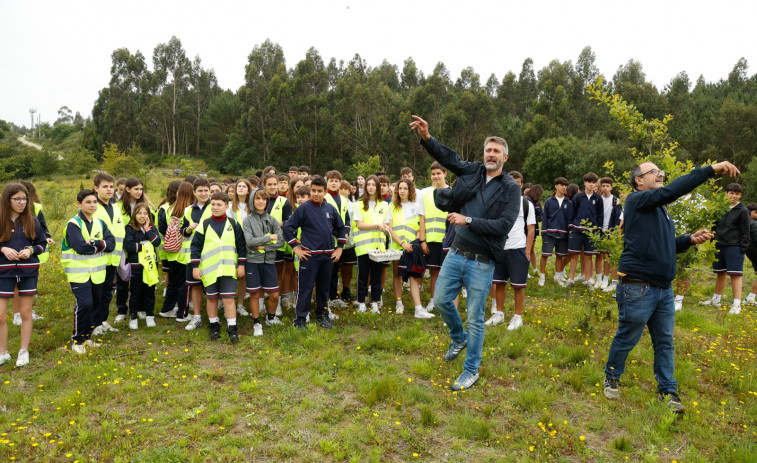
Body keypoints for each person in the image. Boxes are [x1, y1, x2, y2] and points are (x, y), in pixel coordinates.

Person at [603, 160, 739, 413]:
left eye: (660, 171)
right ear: (639, 181)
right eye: (653, 172)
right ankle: (611, 375)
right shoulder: (636, 200)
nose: (660, 174)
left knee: (665, 341)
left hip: (664, 289)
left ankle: (668, 391)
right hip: (637, 286)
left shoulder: (661, 209)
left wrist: (688, 240)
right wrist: (709, 170)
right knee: (628, 336)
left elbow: (665, 244)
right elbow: (671, 191)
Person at [409, 115, 521, 391]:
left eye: (496, 151)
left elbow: (504, 225)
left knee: (475, 318)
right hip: (456, 252)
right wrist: (427, 138)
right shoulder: (473, 172)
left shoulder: (511, 188)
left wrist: (468, 220)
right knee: (442, 300)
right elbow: (450, 158)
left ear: (505, 157)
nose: (491, 155)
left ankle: (471, 370)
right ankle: (458, 338)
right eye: (488, 150)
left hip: (482, 262)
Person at [283, 177, 346, 329]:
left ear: (325, 192)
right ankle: (300, 320)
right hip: (309, 257)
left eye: (319, 191)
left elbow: (341, 228)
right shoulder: (303, 208)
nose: (316, 194)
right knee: (306, 289)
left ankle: (322, 316)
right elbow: (288, 228)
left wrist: (339, 248)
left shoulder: (330, 208)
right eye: (313, 191)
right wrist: (296, 248)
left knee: (324, 289)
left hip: (327, 257)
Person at [62, 189, 115, 354]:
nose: (92, 205)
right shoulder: (74, 224)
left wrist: (94, 242)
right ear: (79, 204)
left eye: (94, 202)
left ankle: (87, 337)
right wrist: (101, 245)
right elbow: (80, 247)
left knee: (96, 305)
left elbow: (111, 243)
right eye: (88, 202)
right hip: (79, 273)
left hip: (97, 273)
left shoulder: (99, 222)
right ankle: (77, 340)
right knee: (85, 304)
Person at [0, 183, 47, 367]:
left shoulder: (32, 220)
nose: (21, 203)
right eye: (17, 199)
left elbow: (42, 244)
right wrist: (3, 248)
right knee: (1, 316)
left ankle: (23, 351)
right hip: (4, 273)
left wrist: (30, 250)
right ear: (7, 199)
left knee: (26, 313)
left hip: (28, 271)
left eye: (24, 199)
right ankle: (2, 352)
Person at [190, 191, 246, 343]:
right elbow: (195, 246)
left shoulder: (233, 224)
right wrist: (195, 266)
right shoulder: (205, 224)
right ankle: (214, 325)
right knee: (212, 298)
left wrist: (241, 265)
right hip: (210, 270)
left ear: (226, 206)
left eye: (219, 205)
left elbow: (241, 246)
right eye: (213, 204)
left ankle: (232, 328)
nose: (215, 207)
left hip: (228, 269)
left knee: (229, 299)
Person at [486, 194, 535, 330]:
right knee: (499, 283)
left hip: (518, 249)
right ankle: (499, 313)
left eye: (517, 182)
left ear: (520, 184)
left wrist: (527, 250)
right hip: (499, 249)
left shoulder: (526, 204)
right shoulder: (497, 201)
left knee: (518, 286)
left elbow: (531, 229)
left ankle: (517, 317)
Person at [699, 183, 750, 314]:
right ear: (726, 193)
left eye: (737, 194)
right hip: (719, 245)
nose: (734, 196)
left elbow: (746, 231)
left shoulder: (743, 211)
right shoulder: (720, 207)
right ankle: (716, 299)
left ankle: (737, 305)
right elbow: (715, 226)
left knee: (735, 275)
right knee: (720, 273)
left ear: (740, 196)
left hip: (734, 246)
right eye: (731, 193)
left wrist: (742, 248)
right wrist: (712, 241)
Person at [388, 179, 434, 319]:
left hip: (413, 247)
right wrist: (402, 244)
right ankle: (399, 302)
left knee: (414, 275)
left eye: (405, 188)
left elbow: (421, 225)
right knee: (397, 273)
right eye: (400, 188)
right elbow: (390, 228)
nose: (402, 191)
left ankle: (418, 308)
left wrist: (417, 243)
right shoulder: (392, 206)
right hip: (398, 246)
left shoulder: (417, 205)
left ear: (410, 190)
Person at [243, 188, 284, 336]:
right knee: (254, 294)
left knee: (273, 295)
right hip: (253, 261)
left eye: (264, 199)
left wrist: (264, 247)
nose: (261, 202)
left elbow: (280, 241)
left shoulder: (272, 219)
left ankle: (270, 318)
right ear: (252, 201)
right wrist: (269, 237)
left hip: (269, 261)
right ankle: (257, 323)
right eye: (257, 199)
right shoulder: (247, 220)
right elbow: (249, 241)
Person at [11, 180, 52, 325]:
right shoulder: (7, 212)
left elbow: (43, 227)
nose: (21, 200)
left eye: (24, 196)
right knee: (16, 283)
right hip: (14, 254)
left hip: (31, 253)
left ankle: (26, 311)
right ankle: (17, 314)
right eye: (18, 197)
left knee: (29, 283)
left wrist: (47, 237)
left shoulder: (36, 208)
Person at [114, 178, 154, 322]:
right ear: (127, 189)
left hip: (141, 252)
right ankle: (121, 310)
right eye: (136, 189)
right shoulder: (117, 206)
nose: (139, 192)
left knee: (142, 281)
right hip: (124, 249)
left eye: (141, 189)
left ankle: (141, 308)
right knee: (123, 280)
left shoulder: (146, 206)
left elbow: (151, 226)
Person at [91, 173, 124, 336]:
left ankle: (103, 320)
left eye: (111, 186)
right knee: (96, 292)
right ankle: (94, 324)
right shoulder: (92, 207)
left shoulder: (116, 208)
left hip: (113, 258)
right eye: (105, 186)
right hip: (98, 258)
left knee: (106, 292)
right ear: (96, 188)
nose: (109, 189)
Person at [352, 175, 390, 314]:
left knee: (376, 276)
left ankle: (375, 302)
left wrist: (385, 227)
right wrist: (376, 225)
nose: (371, 187)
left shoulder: (384, 205)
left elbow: (386, 223)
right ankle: (361, 302)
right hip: (363, 247)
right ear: (365, 187)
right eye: (369, 184)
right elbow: (359, 225)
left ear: (378, 187)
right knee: (362, 275)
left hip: (378, 247)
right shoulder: (358, 204)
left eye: (374, 184)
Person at [123, 203, 161, 329]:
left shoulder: (151, 228)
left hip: (150, 266)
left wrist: (148, 230)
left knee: (150, 291)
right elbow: (128, 246)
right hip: (136, 266)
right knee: (135, 291)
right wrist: (143, 246)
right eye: (139, 213)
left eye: (145, 213)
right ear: (134, 215)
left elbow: (157, 242)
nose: (143, 216)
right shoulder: (130, 228)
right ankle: (133, 316)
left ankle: (150, 316)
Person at [181, 178, 213, 330]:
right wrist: (188, 229)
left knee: (212, 284)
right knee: (195, 285)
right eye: (200, 190)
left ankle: (214, 316)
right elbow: (183, 231)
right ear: (194, 192)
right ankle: (197, 317)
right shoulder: (188, 210)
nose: (203, 193)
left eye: (206, 190)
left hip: (211, 254)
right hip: (193, 255)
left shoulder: (214, 206)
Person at [419, 162, 450, 312]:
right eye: (433, 174)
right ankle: (433, 300)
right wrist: (422, 240)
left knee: (449, 272)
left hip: (448, 240)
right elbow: (422, 218)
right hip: (430, 240)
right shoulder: (424, 193)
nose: (436, 176)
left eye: (439, 173)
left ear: (445, 174)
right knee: (434, 272)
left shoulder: (452, 192)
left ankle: (446, 301)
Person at [158, 181, 191, 321]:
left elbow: (162, 229)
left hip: (171, 252)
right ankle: (182, 314)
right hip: (185, 253)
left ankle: (167, 309)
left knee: (173, 282)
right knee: (184, 285)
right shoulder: (190, 210)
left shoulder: (169, 209)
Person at [567, 173, 602, 286]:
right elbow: (572, 213)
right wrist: (571, 227)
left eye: (593, 182)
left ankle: (587, 280)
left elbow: (600, 215)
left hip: (591, 232)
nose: (591, 184)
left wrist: (598, 229)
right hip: (577, 230)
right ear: (585, 183)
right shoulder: (577, 197)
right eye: (589, 182)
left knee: (588, 256)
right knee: (574, 255)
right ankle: (571, 279)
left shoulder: (598, 198)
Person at [324, 170, 351, 314]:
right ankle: (326, 297)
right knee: (327, 271)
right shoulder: (325, 198)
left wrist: (346, 232)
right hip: (328, 239)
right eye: (331, 180)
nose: (334, 183)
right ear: (327, 182)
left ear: (340, 183)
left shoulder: (344, 199)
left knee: (335, 270)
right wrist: (338, 232)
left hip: (340, 241)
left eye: (336, 180)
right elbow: (324, 220)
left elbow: (346, 218)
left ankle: (334, 296)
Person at [539, 177, 573, 286]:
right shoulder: (549, 201)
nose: (564, 187)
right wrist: (544, 232)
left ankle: (557, 277)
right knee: (545, 255)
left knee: (560, 256)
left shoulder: (569, 202)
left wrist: (570, 230)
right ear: (556, 186)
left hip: (563, 234)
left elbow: (570, 218)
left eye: (565, 185)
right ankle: (542, 277)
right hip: (550, 233)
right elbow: (545, 218)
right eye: (562, 185)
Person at [596, 177, 623, 292]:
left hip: (611, 232)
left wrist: (616, 232)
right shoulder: (597, 199)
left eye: (607, 186)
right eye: (603, 186)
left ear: (611, 187)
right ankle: (598, 280)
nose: (605, 188)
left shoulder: (616, 201)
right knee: (599, 255)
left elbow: (619, 218)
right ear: (600, 187)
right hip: (599, 231)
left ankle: (607, 279)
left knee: (609, 257)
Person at [743, 203, 757, 307]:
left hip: (750, 253)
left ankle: (750, 298)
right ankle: (750, 298)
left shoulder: (744, 223)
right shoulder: (754, 224)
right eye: (755, 212)